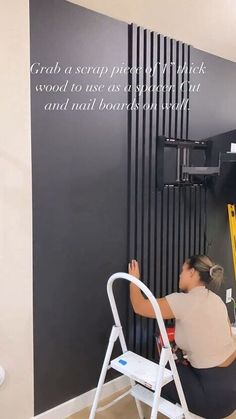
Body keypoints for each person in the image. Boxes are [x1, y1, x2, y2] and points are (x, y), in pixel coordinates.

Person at [128, 255, 236, 419]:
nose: (180, 275)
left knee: (163, 370)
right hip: (232, 389)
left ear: (192, 272)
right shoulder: (217, 300)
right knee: (181, 365)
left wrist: (133, 280)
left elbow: (139, 306)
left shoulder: (181, 301)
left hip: (214, 402)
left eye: (182, 270)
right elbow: (226, 336)